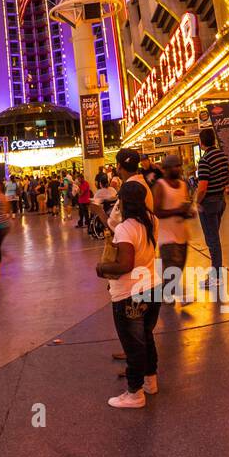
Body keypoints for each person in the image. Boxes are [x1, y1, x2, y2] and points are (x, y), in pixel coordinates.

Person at [96, 182, 160, 409]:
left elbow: (125, 264)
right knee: (146, 336)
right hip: (153, 286)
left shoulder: (125, 228)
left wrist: (102, 269)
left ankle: (135, 394)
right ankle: (150, 381)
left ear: (124, 201)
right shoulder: (152, 219)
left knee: (133, 345)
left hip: (129, 293)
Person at [193, 128, 229, 290]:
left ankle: (216, 277)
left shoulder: (204, 160)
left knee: (212, 240)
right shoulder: (222, 156)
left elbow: (202, 188)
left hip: (208, 204)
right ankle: (216, 272)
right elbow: (227, 176)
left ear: (202, 142)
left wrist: (196, 201)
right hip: (221, 201)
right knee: (214, 238)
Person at [153, 154, 192, 294]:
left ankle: (165, 292)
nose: (179, 169)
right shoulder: (160, 186)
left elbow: (184, 205)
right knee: (171, 266)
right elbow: (155, 211)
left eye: (179, 165)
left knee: (180, 265)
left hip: (182, 233)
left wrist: (187, 212)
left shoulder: (183, 185)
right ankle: (177, 295)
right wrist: (177, 211)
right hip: (166, 235)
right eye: (175, 166)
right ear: (166, 169)